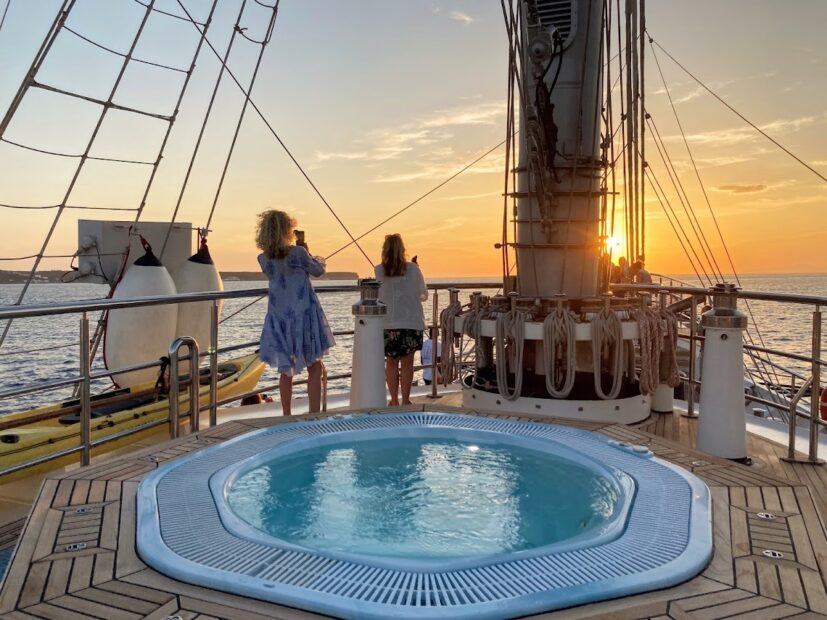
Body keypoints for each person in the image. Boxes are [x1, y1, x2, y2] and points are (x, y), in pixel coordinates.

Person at [256, 210, 335, 416]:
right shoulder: (298, 253)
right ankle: (314, 413)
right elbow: (318, 270)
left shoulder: (263, 259)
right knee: (314, 366)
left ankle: (286, 414)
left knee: (285, 370)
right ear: (287, 230)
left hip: (279, 318)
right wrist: (308, 251)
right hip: (303, 316)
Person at [375, 234, 427, 406]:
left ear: (385, 250)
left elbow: (379, 295)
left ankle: (394, 400)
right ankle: (406, 399)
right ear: (402, 250)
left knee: (391, 361)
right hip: (410, 322)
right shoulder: (413, 268)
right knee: (407, 362)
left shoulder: (379, 270)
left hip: (388, 323)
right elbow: (423, 294)